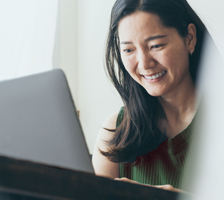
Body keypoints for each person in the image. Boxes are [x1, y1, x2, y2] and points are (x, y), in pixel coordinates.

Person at [92, 0, 205, 192]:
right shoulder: (115, 131)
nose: (144, 64)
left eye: (156, 45)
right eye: (129, 50)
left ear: (190, 38)